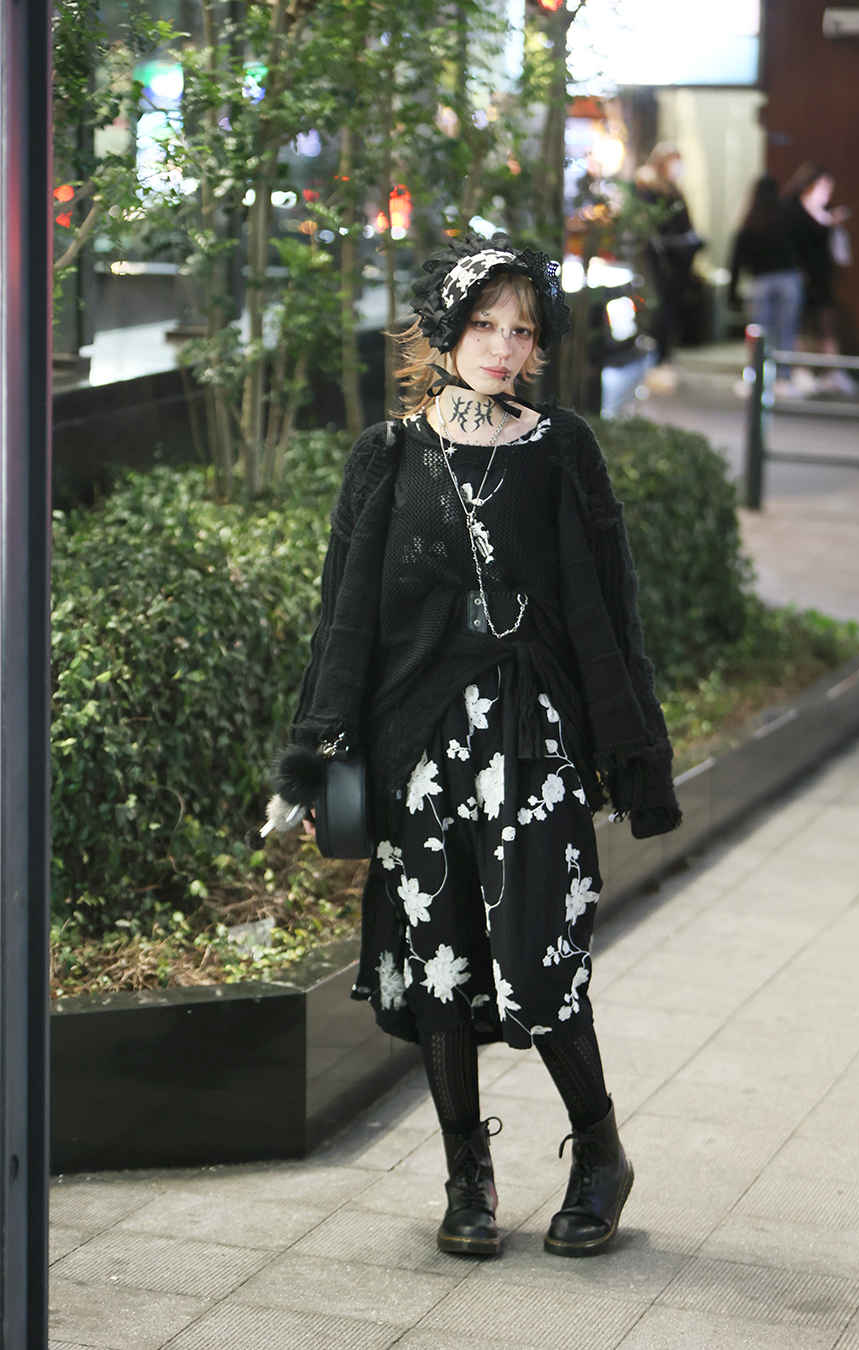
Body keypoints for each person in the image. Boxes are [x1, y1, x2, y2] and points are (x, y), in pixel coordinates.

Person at [265, 233, 681, 1260]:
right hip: (419, 752)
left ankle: (599, 1154)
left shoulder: (562, 447)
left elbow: (607, 607)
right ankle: (468, 1178)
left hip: (530, 750)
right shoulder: (389, 455)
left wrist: (631, 747)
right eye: (486, 325)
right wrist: (312, 761)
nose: (504, 346)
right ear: (446, 331)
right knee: (440, 964)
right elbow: (346, 620)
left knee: (543, 961)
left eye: (523, 330)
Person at [634, 142, 703, 393]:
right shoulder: (649, 188)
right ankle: (654, 362)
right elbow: (652, 231)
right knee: (659, 312)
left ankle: (663, 360)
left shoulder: (673, 189)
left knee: (670, 311)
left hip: (676, 265)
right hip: (660, 264)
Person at [782, 162, 856, 395]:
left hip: (821, 278)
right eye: (822, 187)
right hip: (796, 275)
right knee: (797, 327)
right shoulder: (792, 209)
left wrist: (833, 225)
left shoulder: (828, 213)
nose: (826, 193)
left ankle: (832, 372)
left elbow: (840, 254)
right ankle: (800, 371)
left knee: (826, 325)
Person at [728, 175, 805, 399]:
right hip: (787, 279)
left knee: (758, 334)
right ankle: (783, 379)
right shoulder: (787, 215)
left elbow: (737, 257)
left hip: (760, 281)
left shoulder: (750, 218)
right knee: (786, 333)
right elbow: (803, 247)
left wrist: (731, 291)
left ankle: (755, 378)